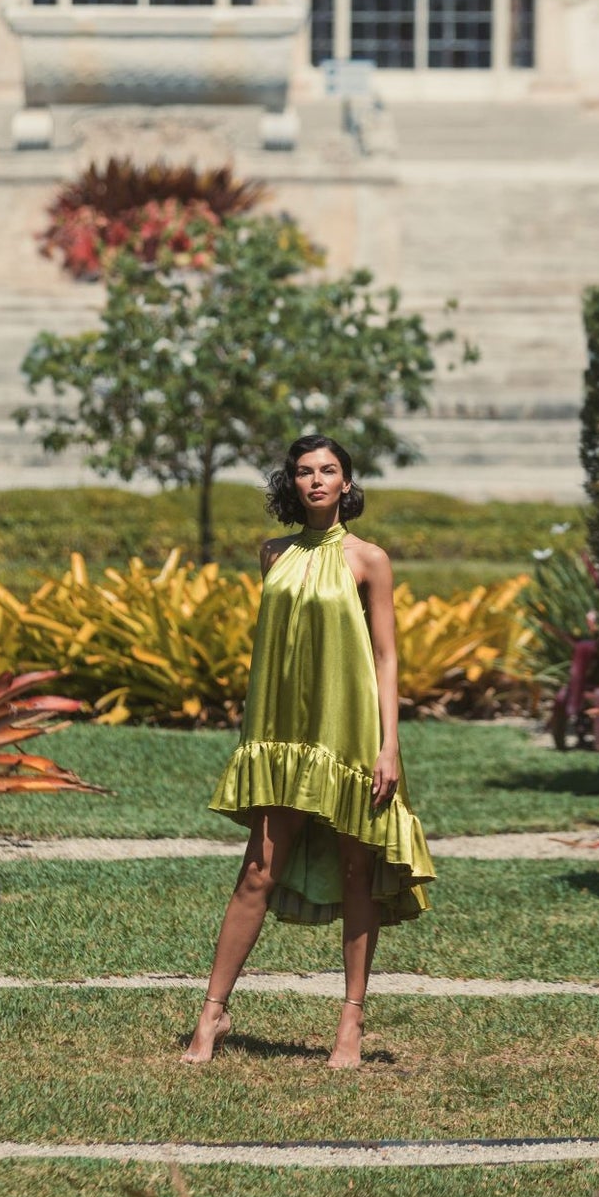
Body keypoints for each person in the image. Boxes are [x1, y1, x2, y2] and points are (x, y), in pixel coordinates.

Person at [182, 434, 435, 1068]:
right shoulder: (273, 555)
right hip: (281, 735)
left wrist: (389, 745)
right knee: (257, 873)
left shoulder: (369, 560)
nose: (316, 480)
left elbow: (385, 656)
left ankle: (350, 1022)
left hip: (348, 737)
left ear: (347, 484)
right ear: (290, 484)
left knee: (357, 871)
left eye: (328, 471)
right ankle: (213, 1013)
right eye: (304, 471)